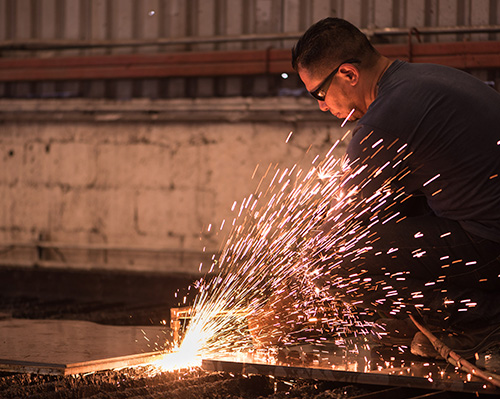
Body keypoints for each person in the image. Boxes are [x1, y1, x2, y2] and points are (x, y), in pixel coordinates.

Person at [290, 17, 500, 360]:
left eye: (319, 93)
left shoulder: (385, 120)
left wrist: (284, 302)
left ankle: (483, 322)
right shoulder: (423, 80)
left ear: (348, 74)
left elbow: (339, 231)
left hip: (491, 246)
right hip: (488, 232)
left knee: (331, 258)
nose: (323, 106)